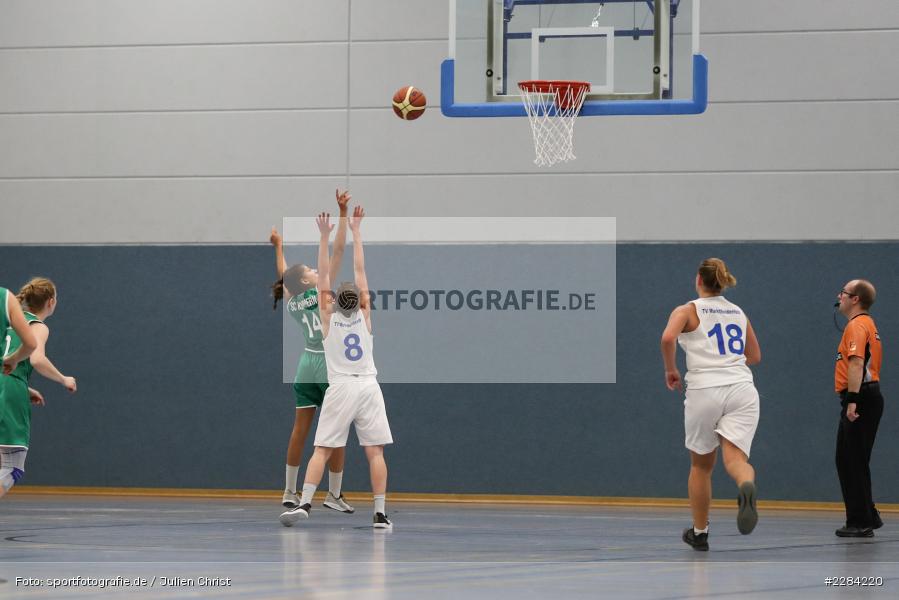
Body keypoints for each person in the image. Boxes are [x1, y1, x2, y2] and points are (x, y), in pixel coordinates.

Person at [280, 206, 394, 529]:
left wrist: (324, 236)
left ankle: (304, 503)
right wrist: (357, 232)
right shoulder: (366, 316)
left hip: (341, 386)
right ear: (360, 301)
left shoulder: (326, 317)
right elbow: (360, 269)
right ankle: (380, 514)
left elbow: (324, 273)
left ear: (331, 300)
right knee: (375, 454)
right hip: (369, 386)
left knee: (322, 449)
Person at [660, 258, 762, 551]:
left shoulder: (687, 310)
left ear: (699, 280)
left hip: (705, 390)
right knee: (736, 460)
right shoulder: (738, 312)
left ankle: (700, 532)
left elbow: (668, 337)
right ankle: (746, 485)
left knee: (702, 466)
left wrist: (671, 368)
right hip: (742, 388)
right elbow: (754, 356)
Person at [269, 189, 355, 514]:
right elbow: (339, 250)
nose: (318, 273)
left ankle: (289, 491)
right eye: (313, 272)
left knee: (299, 431)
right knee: (337, 432)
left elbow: (284, 274)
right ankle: (333, 494)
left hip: (305, 366)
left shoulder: (293, 300)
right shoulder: (323, 296)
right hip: (330, 369)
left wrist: (279, 248)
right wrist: (342, 216)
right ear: (308, 281)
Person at [0, 278, 77, 499]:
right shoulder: (37, 326)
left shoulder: (9, 321)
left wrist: (25, 388)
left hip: (7, 382)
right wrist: (64, 379)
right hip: (9, 388)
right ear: (51, 302)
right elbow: (36, 359)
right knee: (11, 468)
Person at [833, 279, 884, 537]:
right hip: (868, 396)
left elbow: (856, 363)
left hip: (860, 397)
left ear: (855, 299)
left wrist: (852, 400)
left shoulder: (856, 325)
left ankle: (860, 521)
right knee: (852, 459)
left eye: (843, 292)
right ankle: (867, 514)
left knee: (850, 460)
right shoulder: (868, 324)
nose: (839, 295)